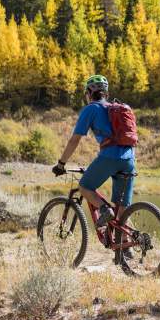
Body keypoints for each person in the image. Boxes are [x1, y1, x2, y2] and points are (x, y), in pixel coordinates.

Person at [52, 75, 136, 227]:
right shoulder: (116, 108)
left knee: (85, 187)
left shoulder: (91, 109)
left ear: (89, 93)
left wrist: (61, 164)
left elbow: (74, 140)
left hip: (109, 157)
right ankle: (127, 247)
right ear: (106, 93)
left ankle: (104, 209)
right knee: (122, 209)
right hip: (129, 158)